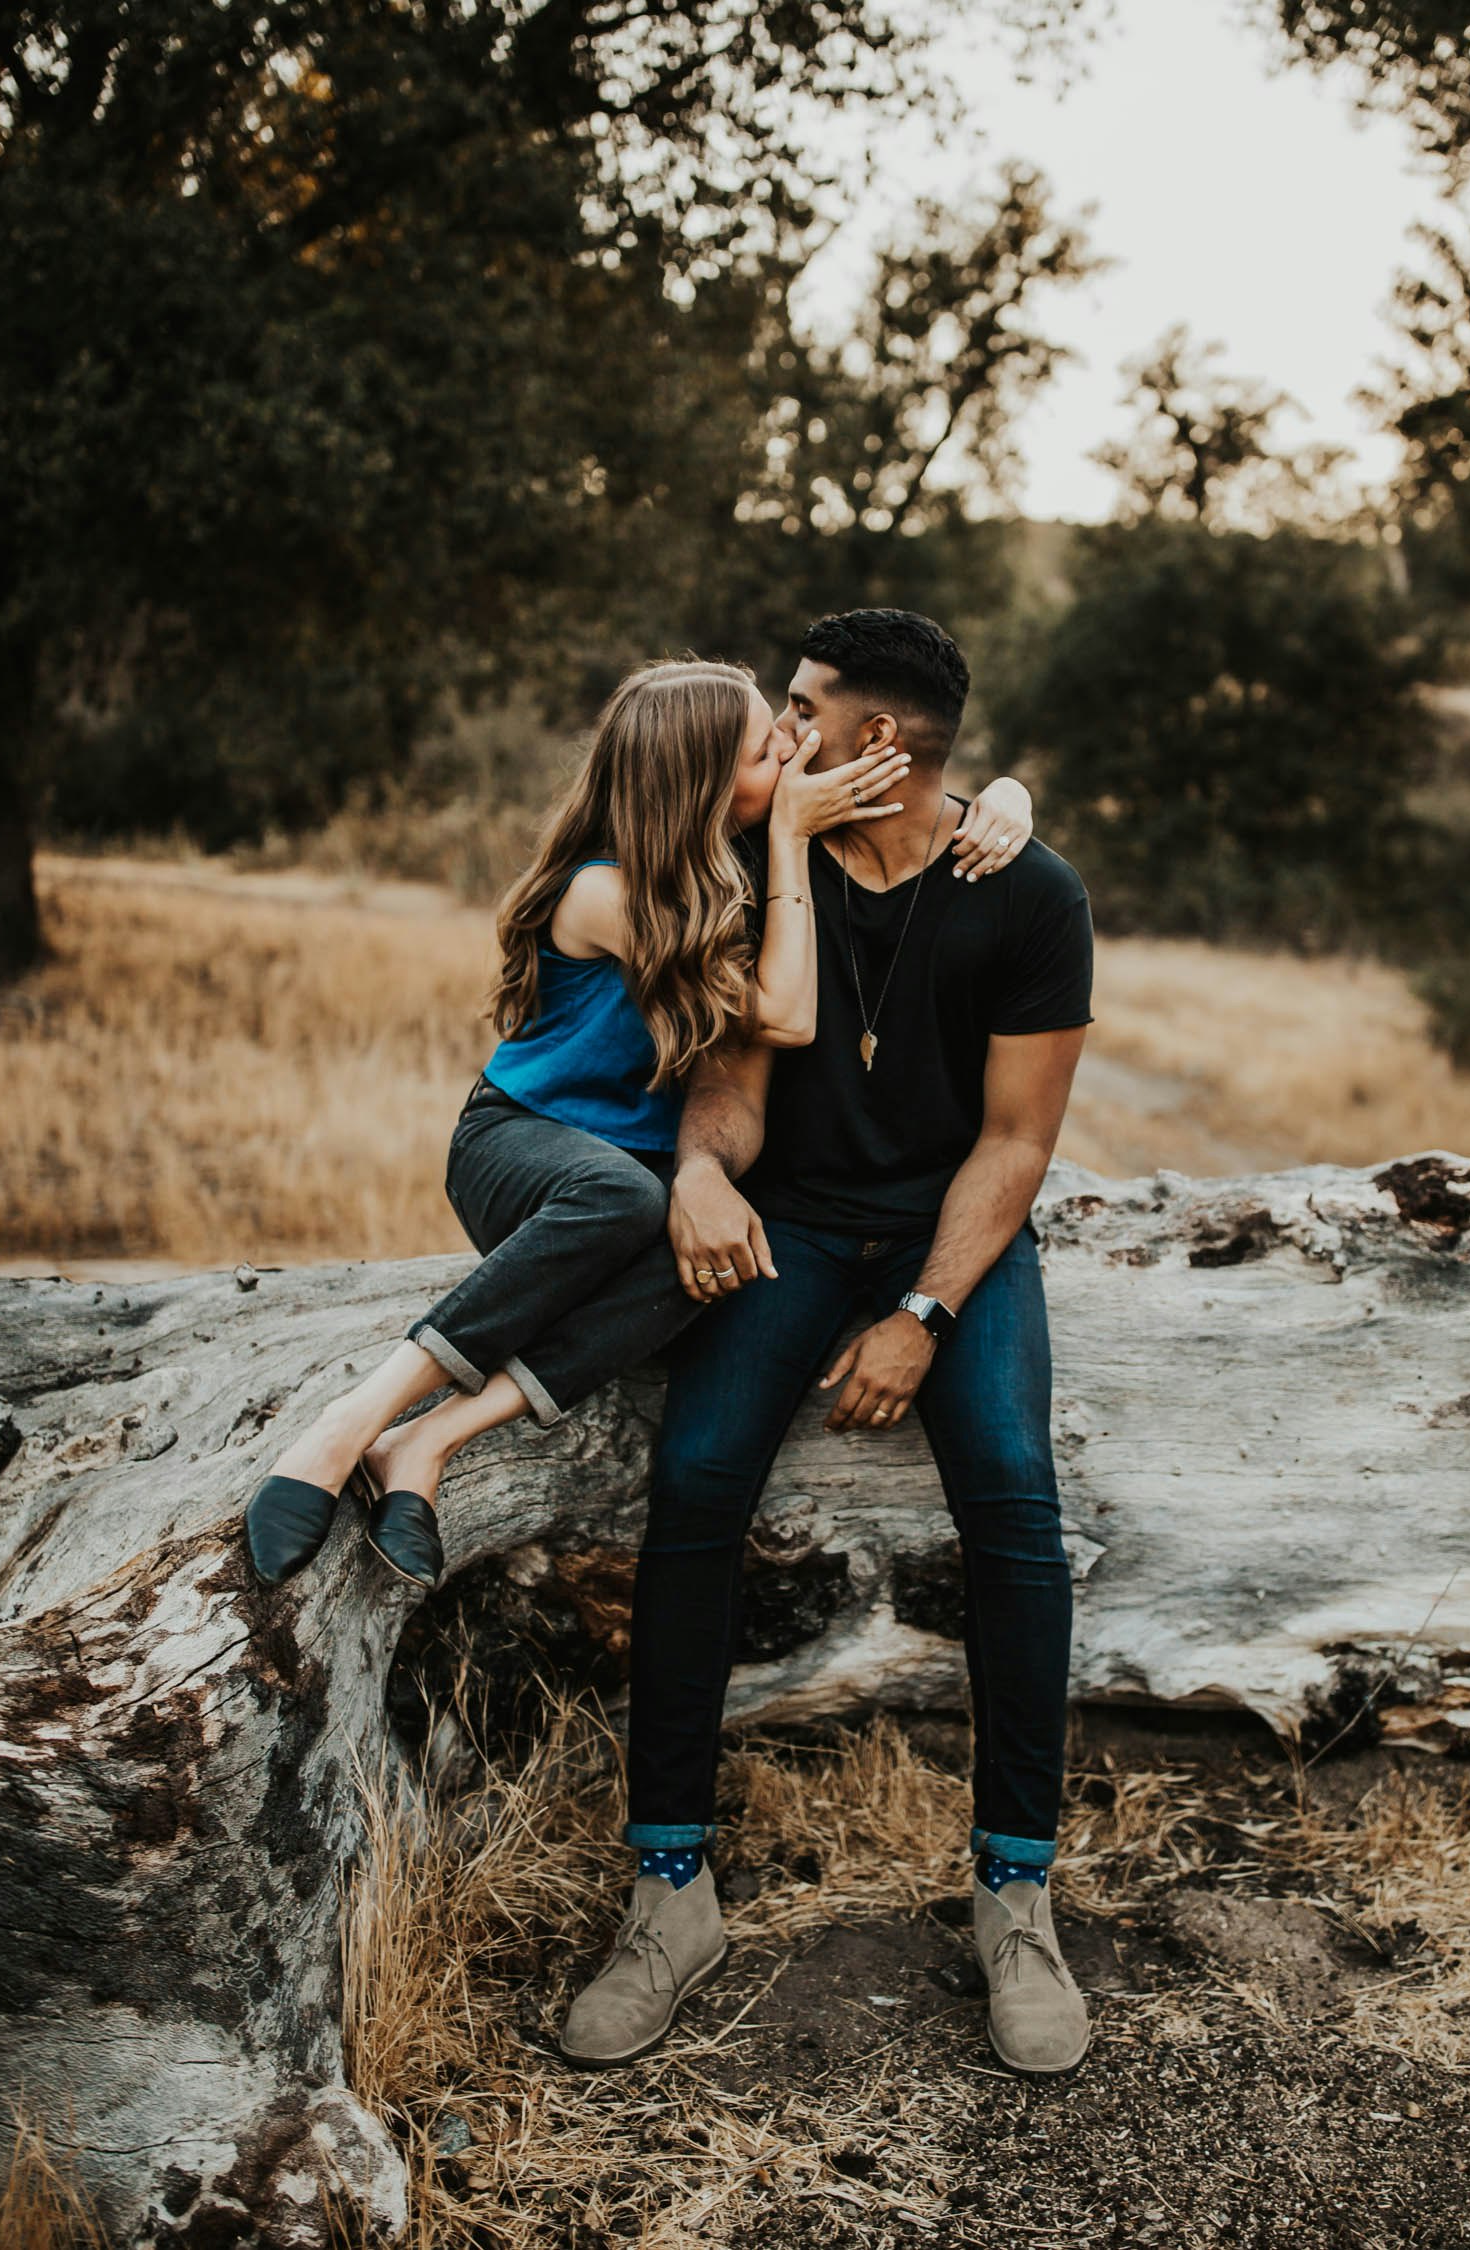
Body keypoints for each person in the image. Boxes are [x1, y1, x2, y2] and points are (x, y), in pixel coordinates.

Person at [558, 609, 1093, 2079]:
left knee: (1013, 1494)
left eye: (801, 706)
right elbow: (730, 1080)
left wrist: (922, 1314)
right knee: (701, 1470)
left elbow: (1016, 1141)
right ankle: (670, 1888)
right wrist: (703, 1170)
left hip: (954, 1240)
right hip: (790, 1221)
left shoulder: (1029, 892)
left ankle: (1015, 1885)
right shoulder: (753, 863)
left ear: (879, 739)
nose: (778, 729)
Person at [243, 654, 1034, 1589]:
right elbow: (785, 1016)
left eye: (786, 729)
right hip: (521, 1142)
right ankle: (349, 1423)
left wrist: (1010, 798)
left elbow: (917, 787)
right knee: (622, 1194)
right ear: (698, 783)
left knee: (718, 1261)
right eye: (763, 745)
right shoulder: (608, 892)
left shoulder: (722, 861)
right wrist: (785, 838)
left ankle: (424, 1446)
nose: (793, 745)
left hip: (628, 1187)